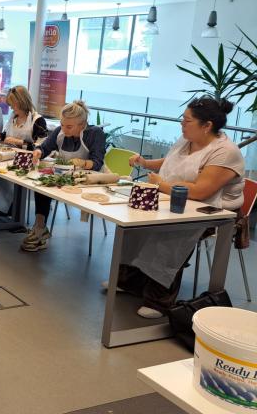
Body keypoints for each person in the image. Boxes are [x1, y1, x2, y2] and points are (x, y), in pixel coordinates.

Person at [117, 96, 244, 318]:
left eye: (187, 121)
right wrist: (145, 163)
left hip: (214, 212)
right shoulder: (187, 140)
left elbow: (201, 191)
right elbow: (170, 163)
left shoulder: (225, 151)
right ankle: (130, 282)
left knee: (172, 231)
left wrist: (163, 184)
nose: (182, 125)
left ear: (207, 126)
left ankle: (159, 300)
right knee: (133, 222)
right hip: (176, 198)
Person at [24, 100, 106, 252]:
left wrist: (82, 163)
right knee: (43, 184)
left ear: (82, 124)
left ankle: (40, 230)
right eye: (62, 124)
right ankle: (39, 227)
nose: (64, 129)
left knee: (49, 185)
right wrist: (38, 152)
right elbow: (45, 147)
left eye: (69, 127)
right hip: (66, 176)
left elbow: (97, 163)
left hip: (89, 180)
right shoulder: (60, 132)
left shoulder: (95, 134)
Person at [0, 85, 48, 214]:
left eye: (13, 105)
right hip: (11, 155)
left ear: (21, 102)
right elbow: (6, 135)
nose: (11, 108)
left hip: (27, 160)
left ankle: (8, 206)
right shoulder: (13, 117)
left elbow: (41, 148)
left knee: (3, 172)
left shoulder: (37, 120)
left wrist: (20, 142)